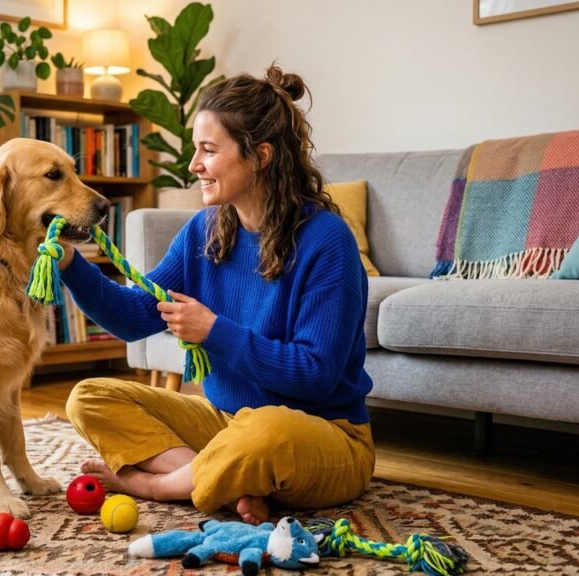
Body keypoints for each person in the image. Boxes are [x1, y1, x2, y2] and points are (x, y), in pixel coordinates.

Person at [56, 65, 374, 525]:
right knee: (88, 397)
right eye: (195, 150)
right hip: (226, 424)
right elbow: (133, 317)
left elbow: (316, 376)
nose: (194, 166)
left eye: (208, 150)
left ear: (260, 155)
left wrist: (214, 331)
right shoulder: (204, 231)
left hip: (321, 435)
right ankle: (226, 480)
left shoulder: (327, 241)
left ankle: (162, 484)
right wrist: (70, 263)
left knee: (265, 431)